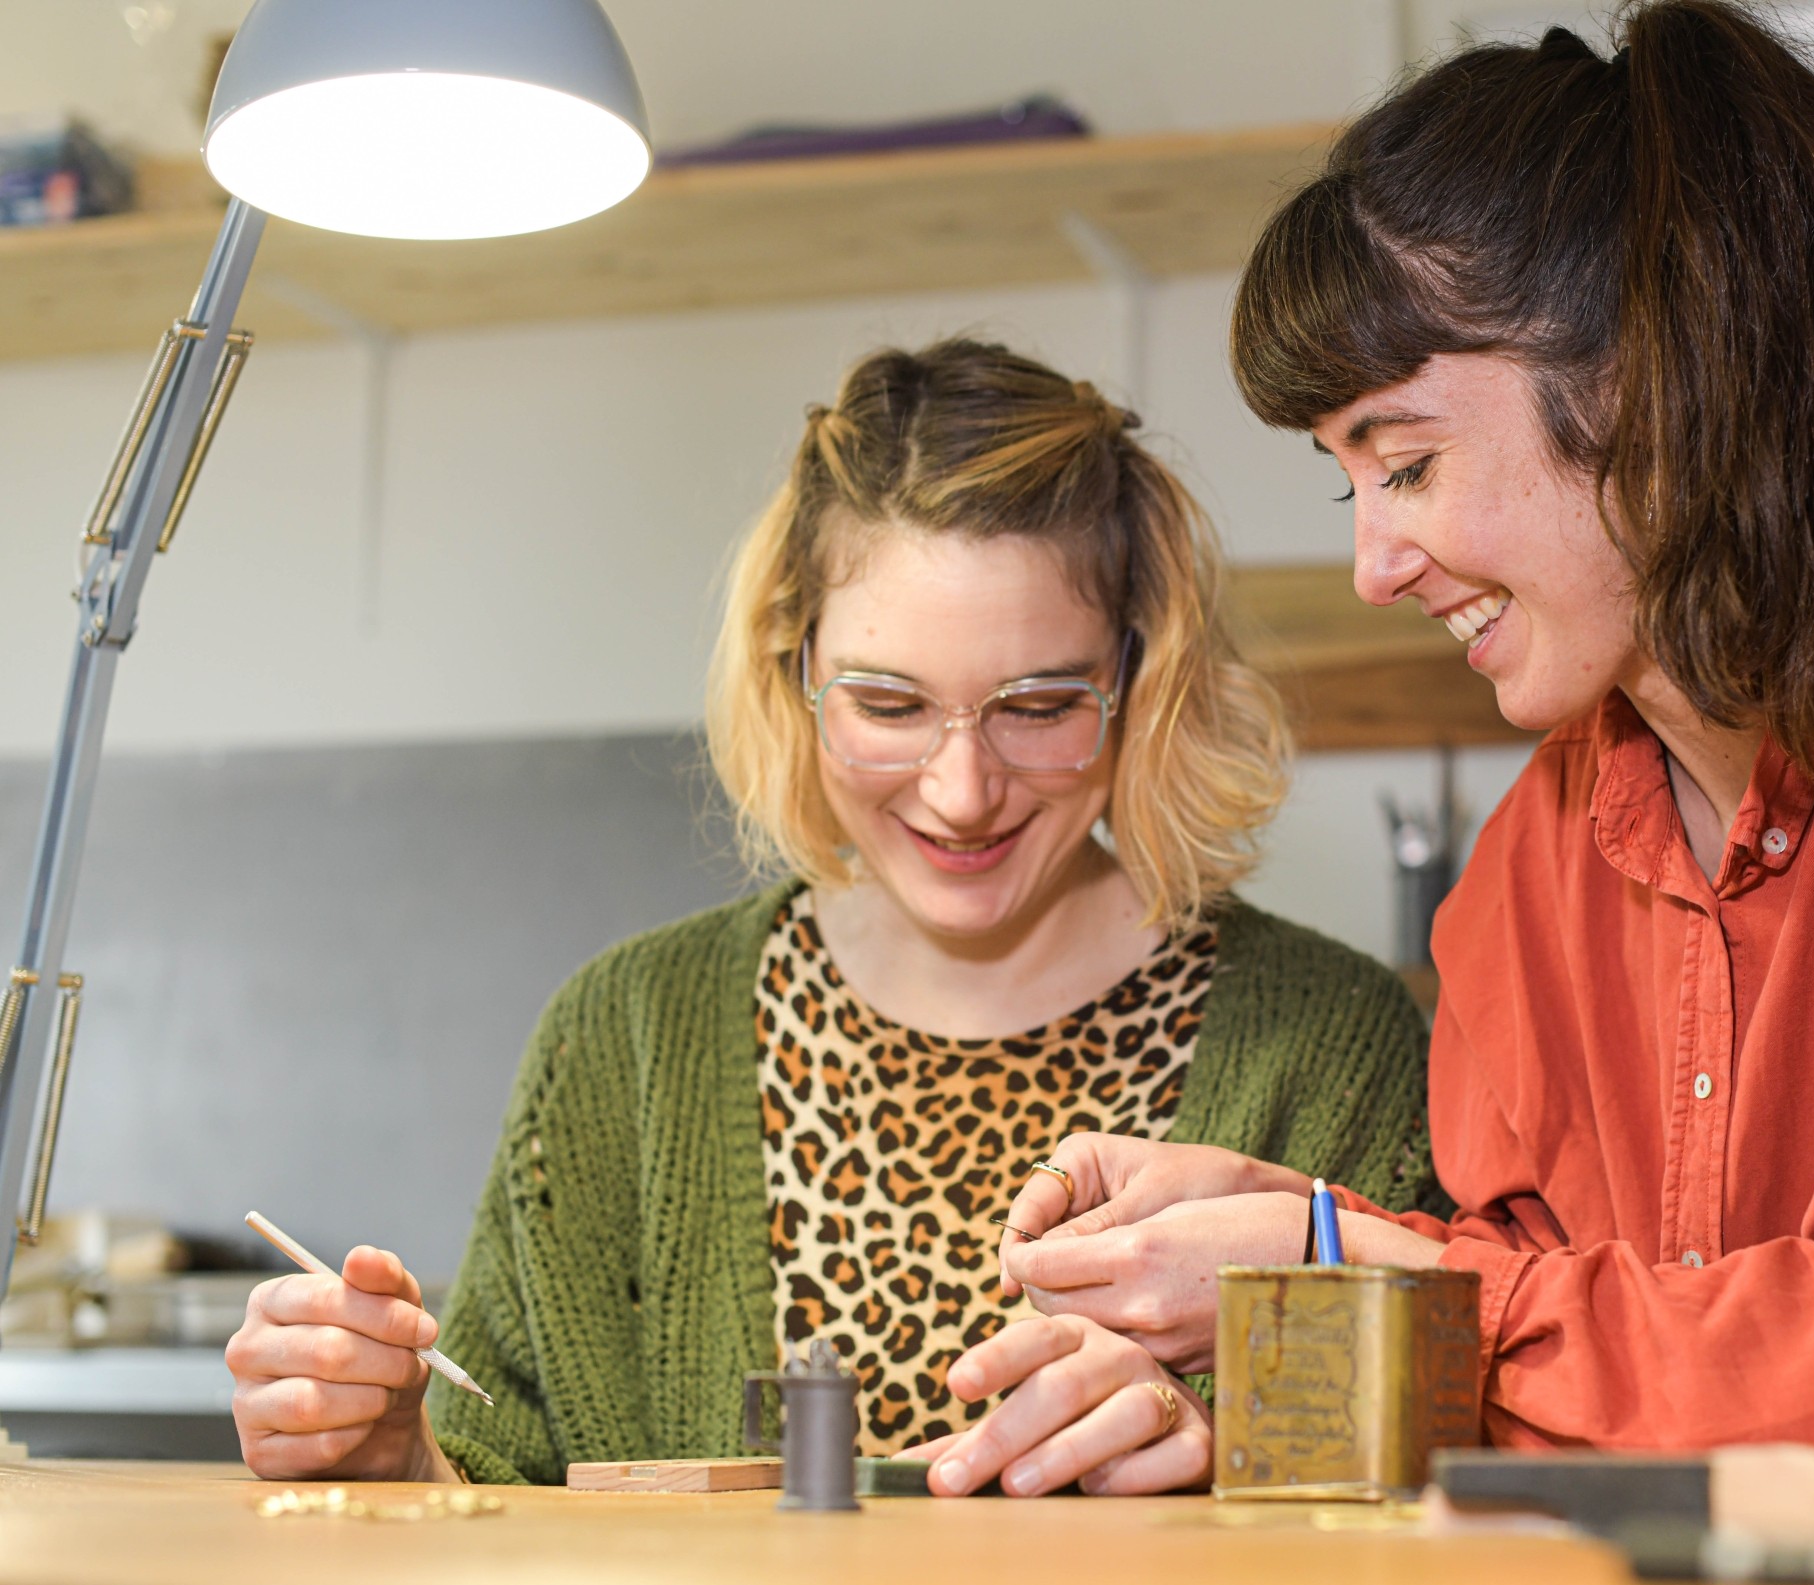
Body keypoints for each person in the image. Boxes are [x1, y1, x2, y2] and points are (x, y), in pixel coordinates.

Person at [983, 2, 1814, 1487]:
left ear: (1656, 378)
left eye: (1409, 463)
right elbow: (1572, 1347)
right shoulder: (1529, 863)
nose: (1379, 563)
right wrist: (1282, 1299)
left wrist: (1360, 1263)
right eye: (1351, 491)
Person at [224, 339, 1437, 1497]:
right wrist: (390, 1455)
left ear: (1137, 678)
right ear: (795, 674)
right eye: (890, 704)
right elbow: (498, 1504)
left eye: (1040, 704)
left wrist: (1224, 1456)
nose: (963, 793)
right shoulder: (625, 1041)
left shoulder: (1334, 1047)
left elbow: (1429, 1517)